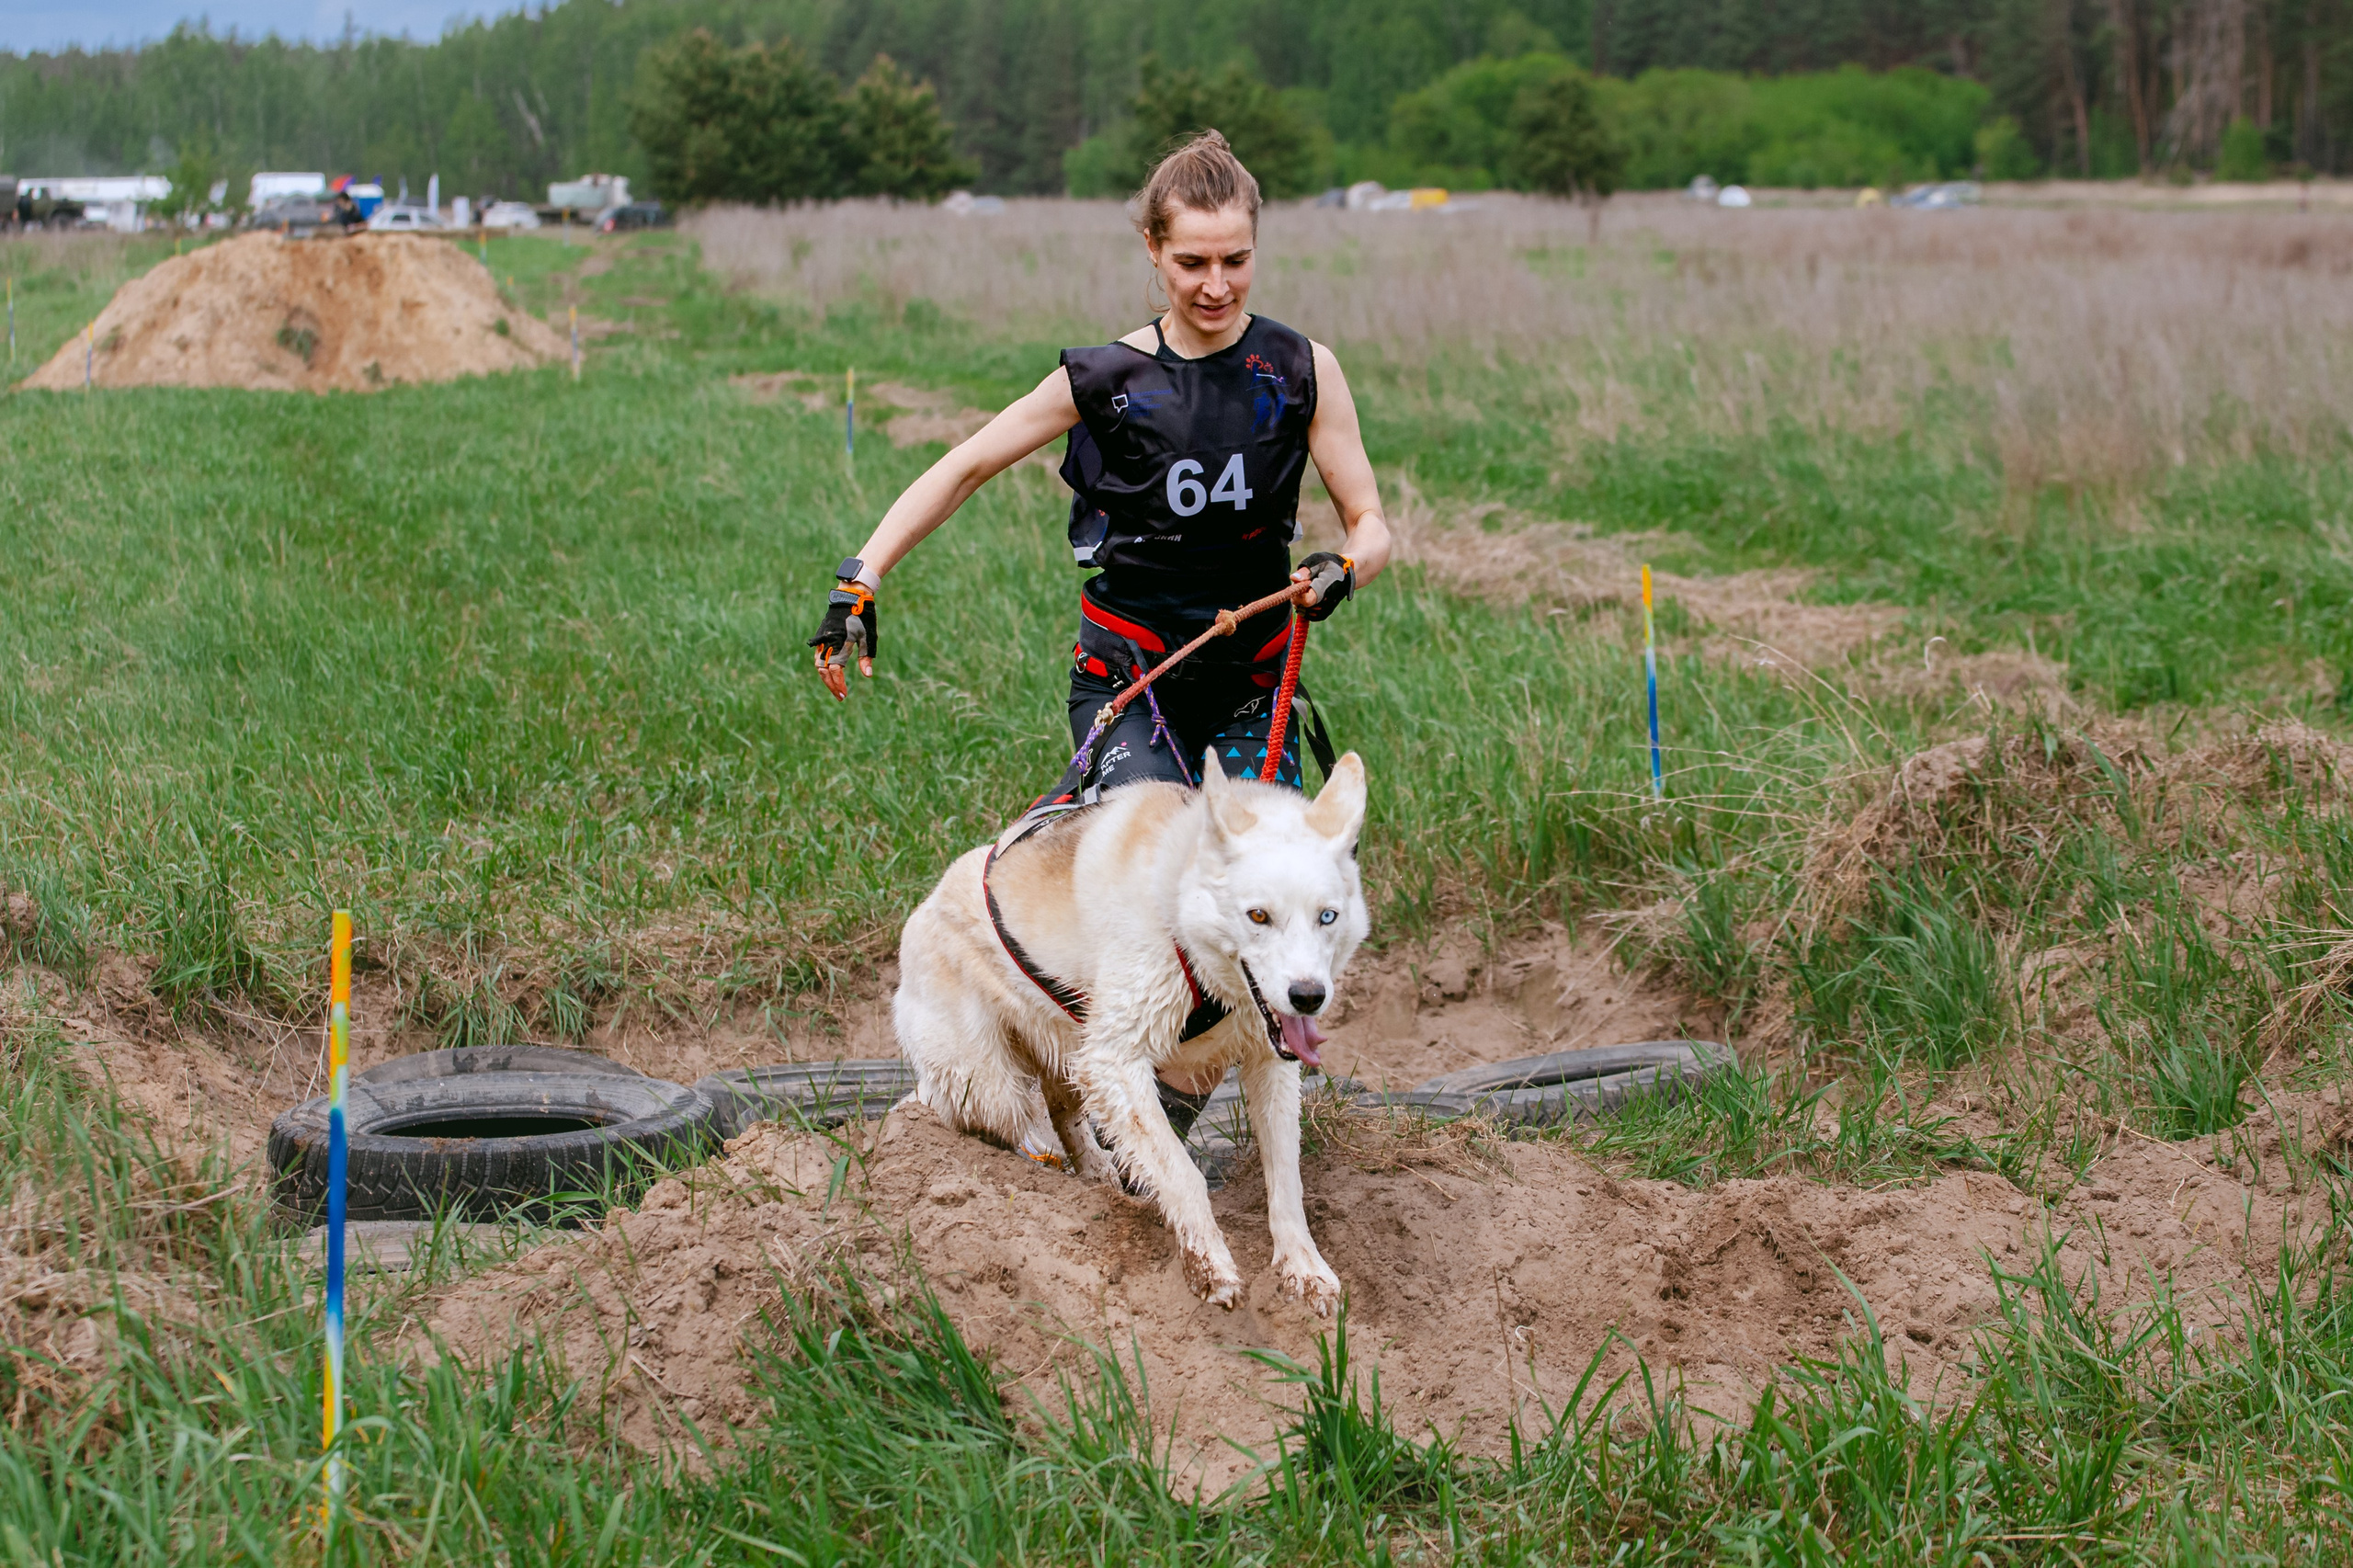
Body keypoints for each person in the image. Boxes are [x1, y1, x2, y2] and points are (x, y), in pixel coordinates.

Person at [810, 129, 1392, 796]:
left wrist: (1344, 568)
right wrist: (860, 579)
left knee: (1252, 879)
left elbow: (1369, 523)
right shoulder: (1107, 377)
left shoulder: (1301, 369)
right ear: (1152, 247)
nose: (1216, 285)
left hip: (1251, 685)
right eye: (1192, 262)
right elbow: (966, 465)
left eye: (1236, 260)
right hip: (1126, 677)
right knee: (1150, 855)